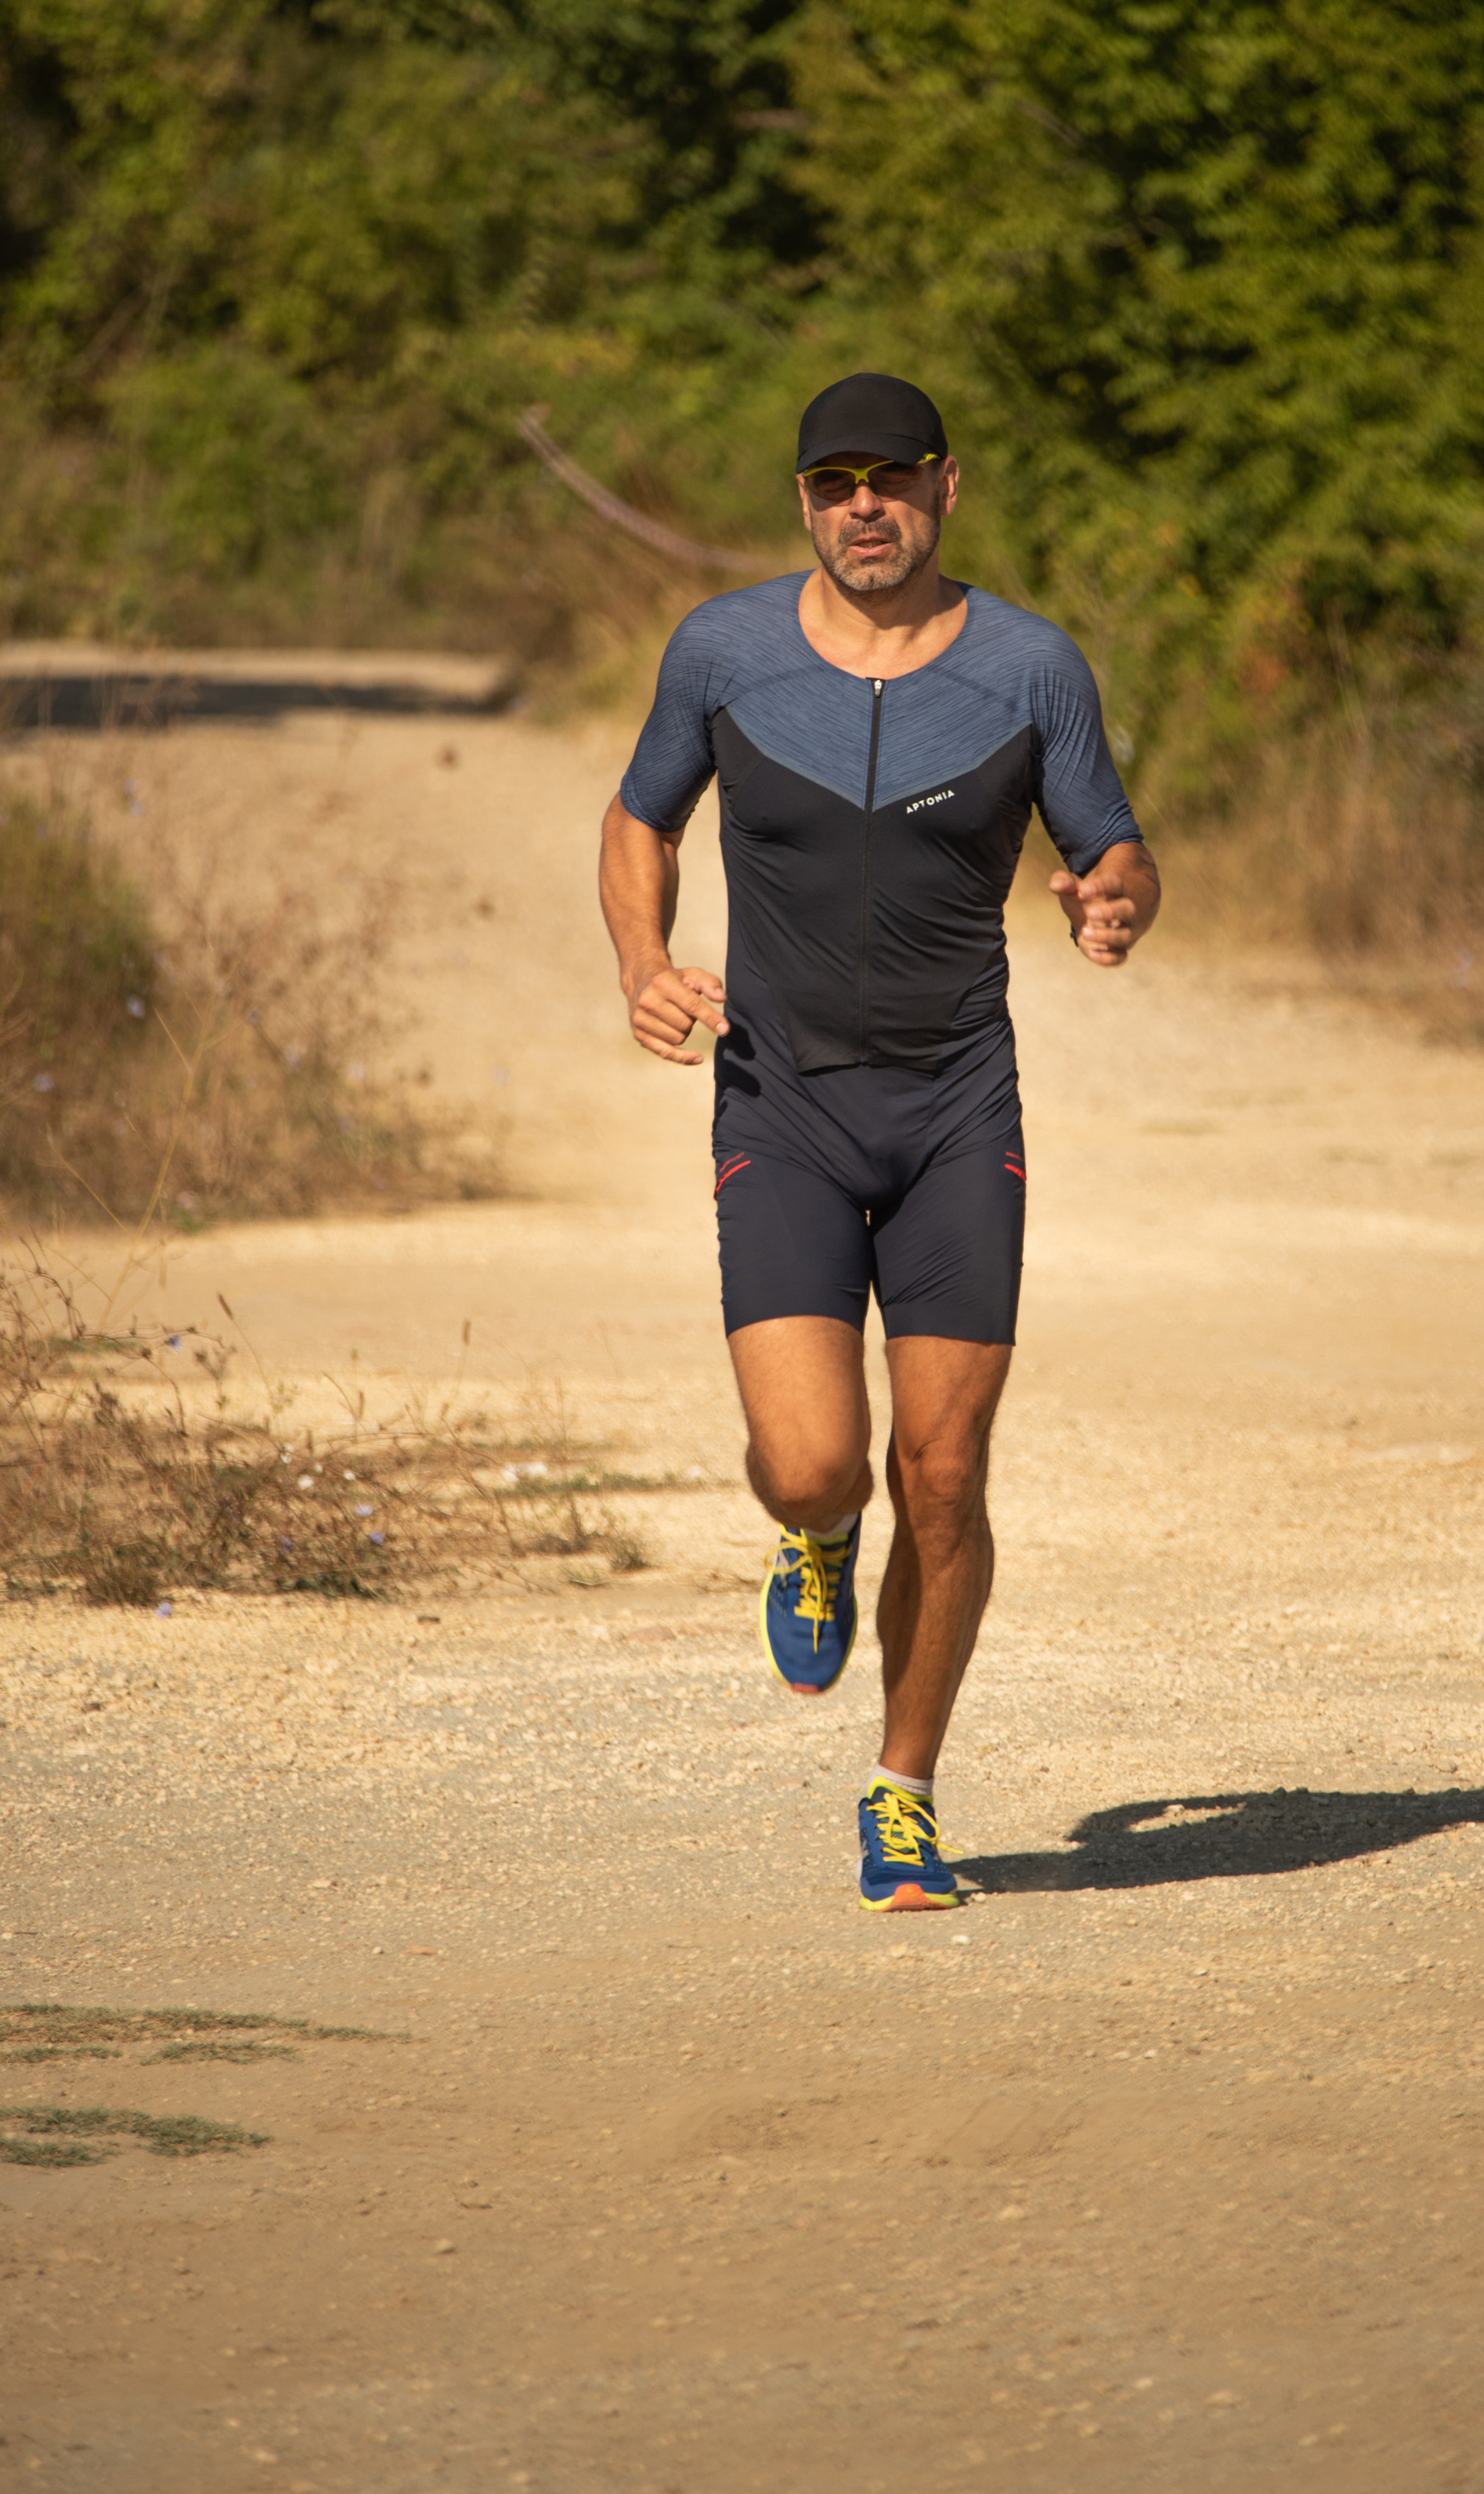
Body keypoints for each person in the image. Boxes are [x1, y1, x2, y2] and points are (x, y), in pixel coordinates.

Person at [598, 371, 1159, 1909]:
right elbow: (640, 817)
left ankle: (901, 1794)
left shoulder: (1031, 669)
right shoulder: (720, 651)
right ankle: (810, 1535)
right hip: (780, 1105)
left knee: (946, 1474)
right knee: (814, 1460)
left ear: (941, 488)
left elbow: (1108, 840)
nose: (866, 505)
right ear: (801, 501)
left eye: (893, 478)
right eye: (836, 480)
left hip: (952, 1110)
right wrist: (645, 969)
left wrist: (1115, 896)